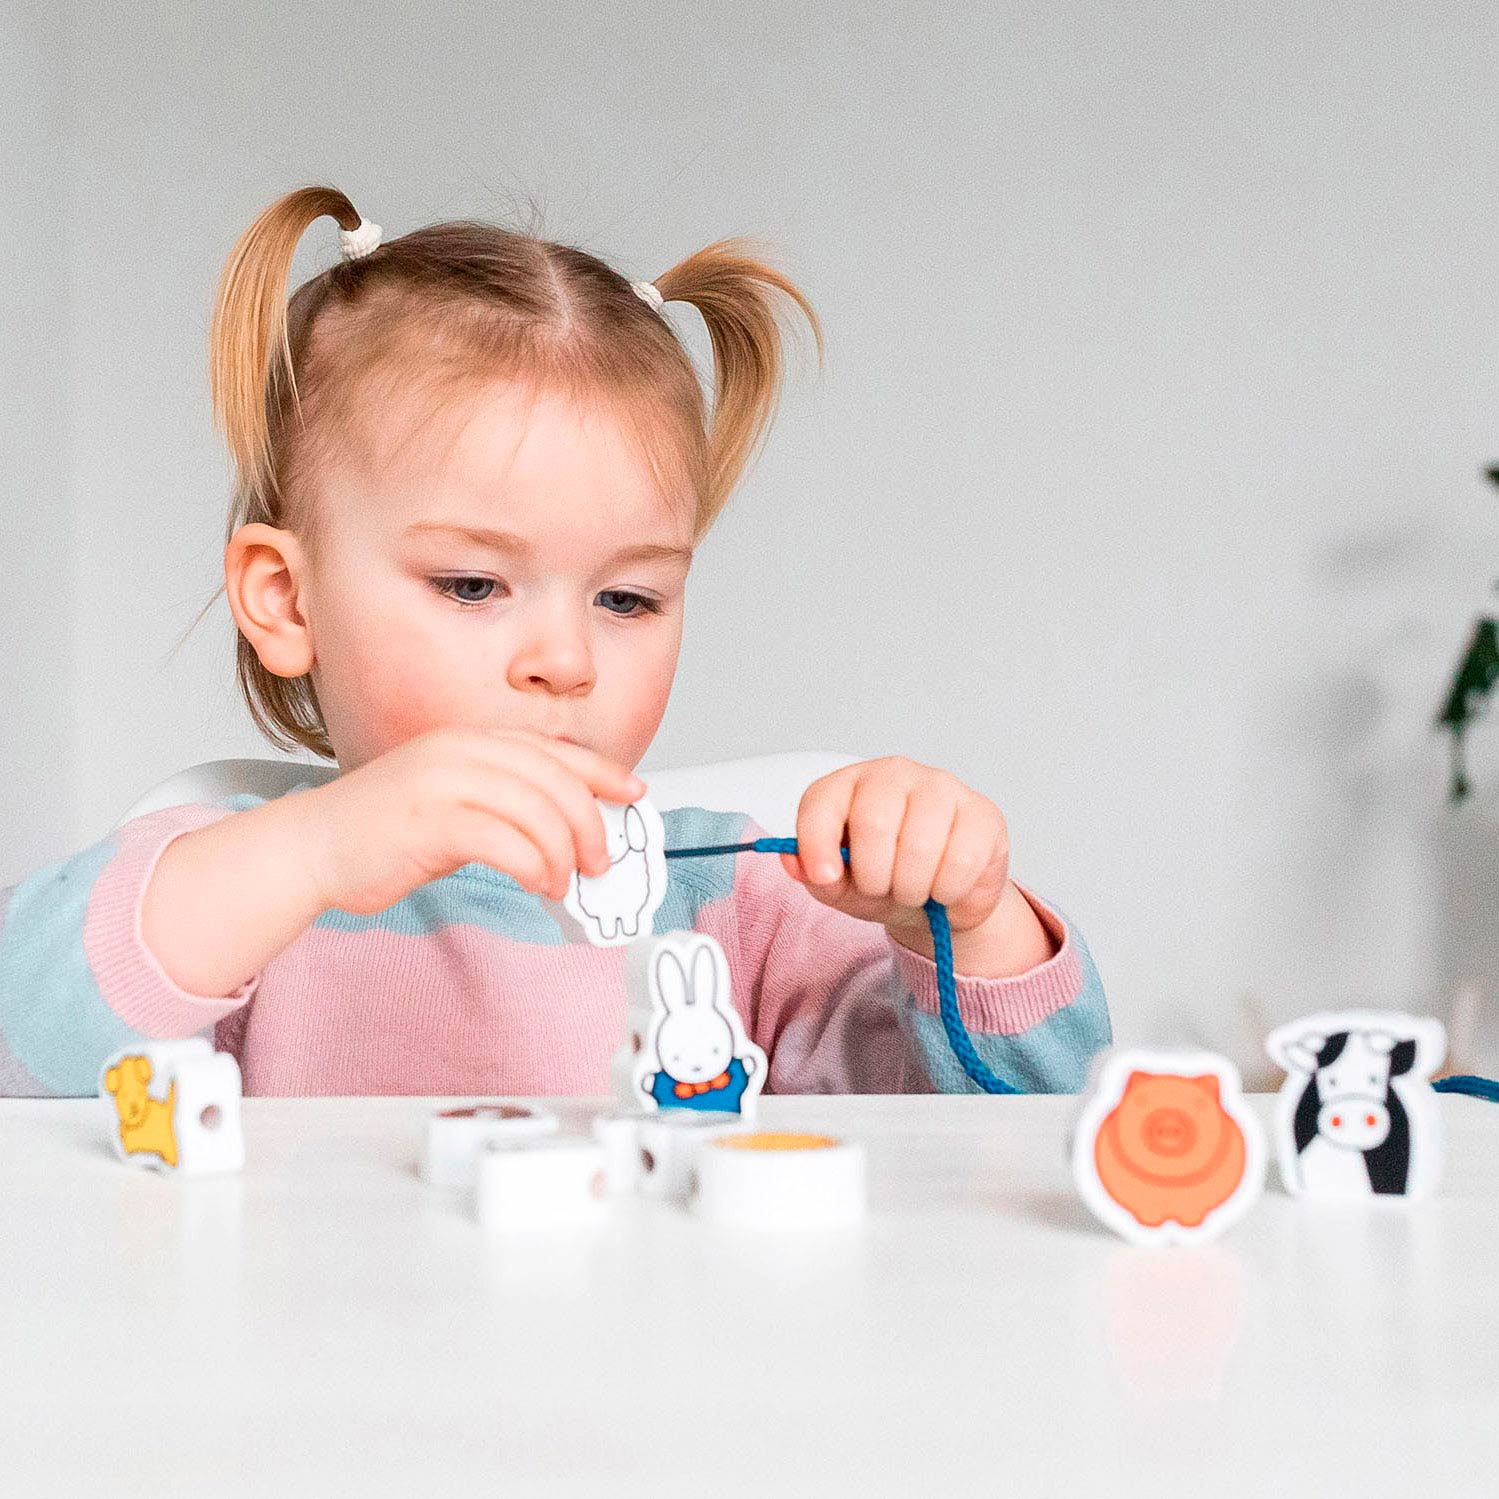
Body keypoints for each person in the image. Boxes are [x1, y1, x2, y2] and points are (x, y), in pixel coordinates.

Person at [0, 185, 1109, 1099]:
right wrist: (315, 852)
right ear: (286, 600)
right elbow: (30, 1046)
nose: (564, 661)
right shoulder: (234, 891)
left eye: (625, 599)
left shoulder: (734, 898)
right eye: (474, 583)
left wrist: (969, 919)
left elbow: (1020, 1121)